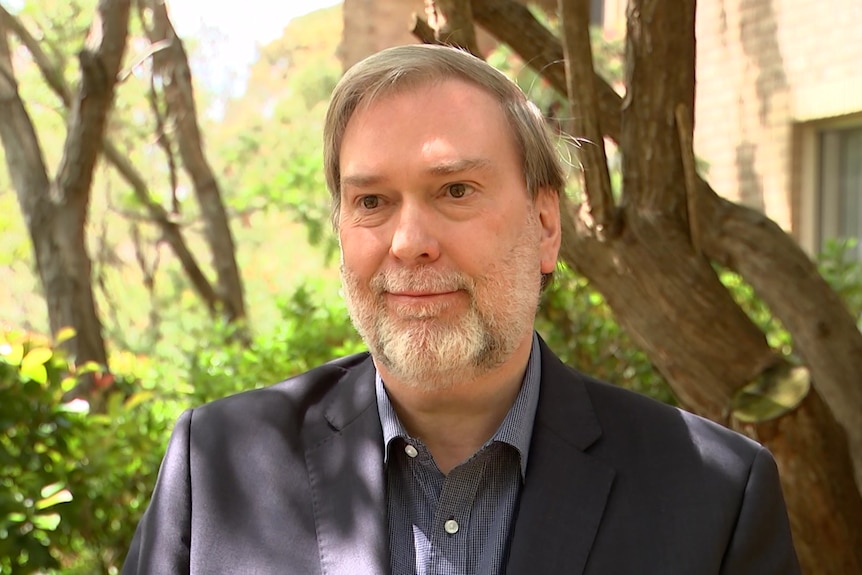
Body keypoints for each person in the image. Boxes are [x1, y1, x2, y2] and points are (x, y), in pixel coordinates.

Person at [122, 44, 800, 574]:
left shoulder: (712, 497)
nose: (409, 242)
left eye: (454, 190)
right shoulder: (215, 466)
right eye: (371, 201)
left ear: (544, 224)